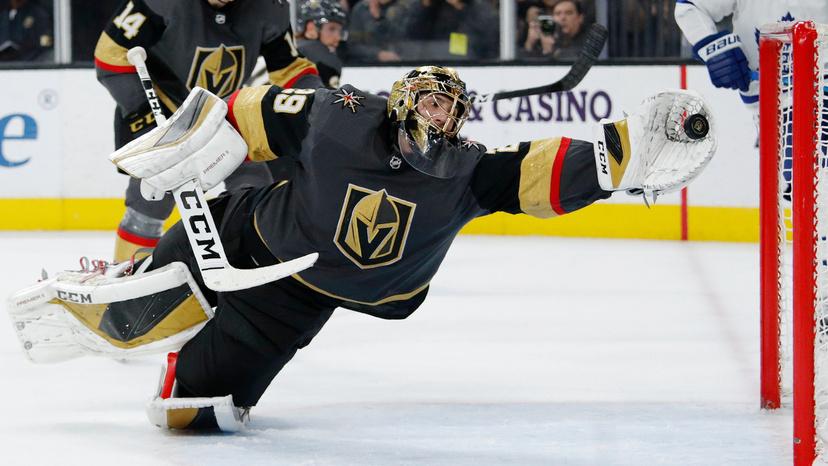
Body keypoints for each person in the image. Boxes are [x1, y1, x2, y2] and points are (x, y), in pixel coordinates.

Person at [8, 66, 716, 431]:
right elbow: (249, 113)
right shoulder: (338, 118)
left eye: (451, 108)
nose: (441, 116)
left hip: (297, 302)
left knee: (191, 415)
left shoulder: (471, 171)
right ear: (407, 100)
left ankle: (188, 356)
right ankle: (125, 280)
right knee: (146, 295)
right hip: (243, 234)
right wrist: (195, 142)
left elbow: (549, 172)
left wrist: (629, 155)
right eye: (432, 102)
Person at [94, 0, 323, 263]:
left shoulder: (268, 6)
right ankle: (127, 270)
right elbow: (111, 54)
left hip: (222, 110)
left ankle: (255, 264)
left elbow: (289, 68)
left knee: (254, 188)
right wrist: (145, 117)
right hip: (166, 109)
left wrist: (316, 99)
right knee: (151, 196)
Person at [402, 0, 499, 61]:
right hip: (429, 64)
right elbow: (410, 37)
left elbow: (487, 41)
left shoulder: (479, 8)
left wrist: (459, 7)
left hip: (468, 64)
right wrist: (426, 5)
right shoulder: (429, 7)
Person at [295, 0, 347, 89]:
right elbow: (329, 100)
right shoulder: (325, 58)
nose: (338, 37)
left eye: (339, 31)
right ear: (311, 27)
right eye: (331, 29)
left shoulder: (289, 46)